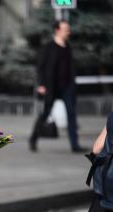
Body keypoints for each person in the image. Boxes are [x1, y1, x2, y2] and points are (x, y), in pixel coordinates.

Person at [29, 20, 87, 153]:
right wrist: (41, 84)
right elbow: (41, 67)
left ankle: (74, 144)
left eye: (68, 29)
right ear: (57, 30)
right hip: (51, 87)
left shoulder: (68, 47)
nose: (68, 32)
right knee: (45, 114)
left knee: (71, 114)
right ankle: (33, 138)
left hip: (67, 87)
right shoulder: (48, 47)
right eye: (65, 29)